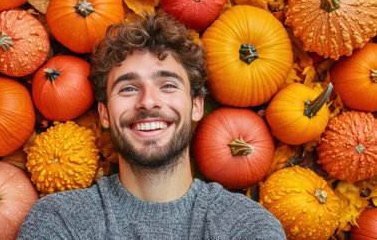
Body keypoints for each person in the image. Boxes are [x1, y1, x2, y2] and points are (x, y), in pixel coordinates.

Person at [17, 13, 286, 239]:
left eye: (168, 85)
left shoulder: (247, 227)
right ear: (105, 114)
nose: (148, 102)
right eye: (128, 88)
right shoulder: (61, 222)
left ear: (196, 106)